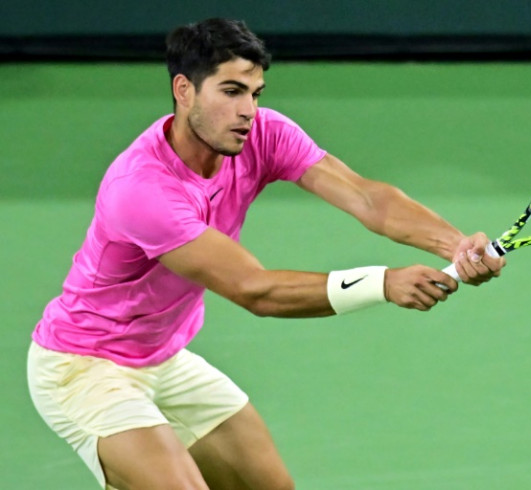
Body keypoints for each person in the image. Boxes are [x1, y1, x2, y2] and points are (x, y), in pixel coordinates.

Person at [27, 17, 506, 490]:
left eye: (255, 93)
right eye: (231, 91)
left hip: (163, 356)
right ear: (184, 90)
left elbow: (366, 198)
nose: (248, 111)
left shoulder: (264, 134)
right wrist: (381, 283)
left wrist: (455, 243)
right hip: (84, 366)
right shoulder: (144, 189)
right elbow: (254, 290)